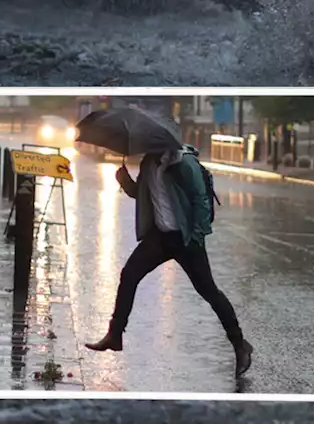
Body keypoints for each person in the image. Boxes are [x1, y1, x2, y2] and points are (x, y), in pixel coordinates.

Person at [85, 144, 253, 378]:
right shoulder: (149, 161)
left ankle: (240, 344)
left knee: (208, 291)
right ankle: (115, 335)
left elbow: (201, 200)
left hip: (185, 238)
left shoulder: (184, 163)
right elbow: (140, 192)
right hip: (160, 236)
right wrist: (124, 180)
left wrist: (195, 237)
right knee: (129, 275)